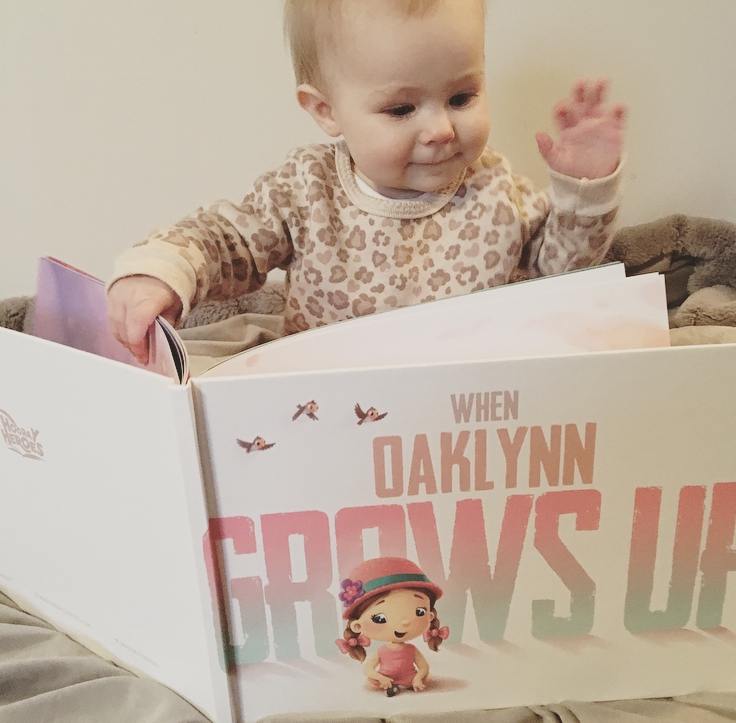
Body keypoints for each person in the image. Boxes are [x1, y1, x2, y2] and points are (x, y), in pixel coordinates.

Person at [107, 0, 626, 363]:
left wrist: (584, 189)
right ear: (326, 111)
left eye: (462, 97)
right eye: (401, 108)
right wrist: (161, 271)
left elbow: (562, 273)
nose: (442, 130)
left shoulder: (494, 185)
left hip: (463, 409)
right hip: (335, 407)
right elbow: (228, 242)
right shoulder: (307, 188)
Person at [336, 556, 448, 696]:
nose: (405, 622)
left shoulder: (411, 650)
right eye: (380, 618)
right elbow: (369, 669)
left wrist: (418, 678)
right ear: (357, 626)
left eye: (420, 612)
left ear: (430, 616)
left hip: (410, 680)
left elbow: (423, 667)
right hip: (385, 682)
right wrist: (379, 677)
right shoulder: (382, 651)